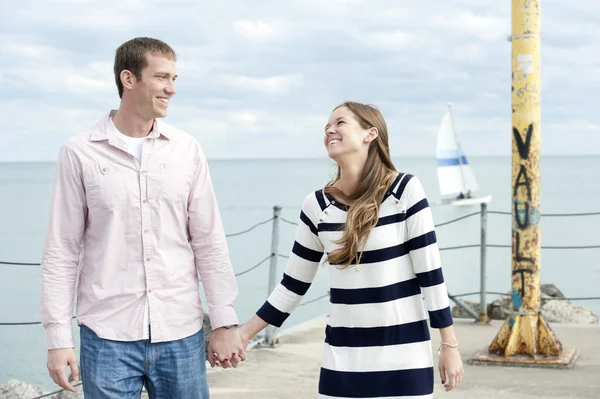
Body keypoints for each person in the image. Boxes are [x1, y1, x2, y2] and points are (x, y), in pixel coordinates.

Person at [40, 37, 245, 398]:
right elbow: (62, 251)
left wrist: (225, 321)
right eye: (163, 77)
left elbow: (208, 240)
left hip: (181, 333)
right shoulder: (79, 152)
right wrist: (58, 339)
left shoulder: (187, 150)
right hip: (107, 337)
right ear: (128, 79)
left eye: (175, 79)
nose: (172, 89)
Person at [236, 102, 464, 397]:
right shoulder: (316, 206)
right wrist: (241, 336)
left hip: (405, 358)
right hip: (342, 363)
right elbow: (292, 286)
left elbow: (430, 274)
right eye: (326, 127)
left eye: (340, 123)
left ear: (370, 133)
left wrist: (449, 345)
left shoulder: (405, 191)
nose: (330, 130)